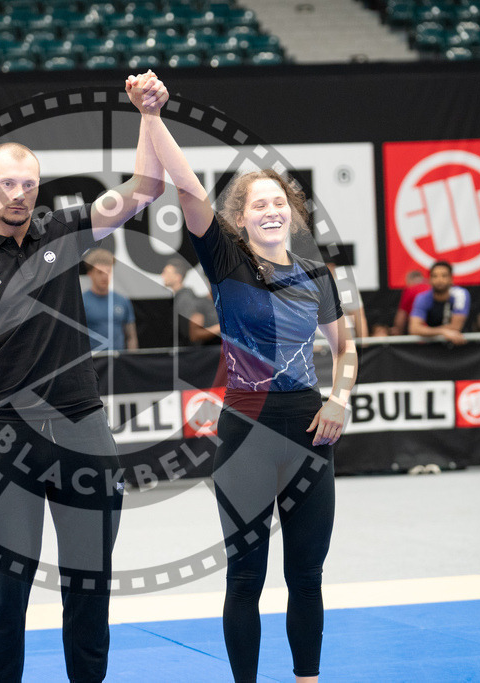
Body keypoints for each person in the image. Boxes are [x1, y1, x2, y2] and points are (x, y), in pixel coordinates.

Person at [0, 72, 167, 683]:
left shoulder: (63, 229)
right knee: (5, 590)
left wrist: (148, 115)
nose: (19, 194)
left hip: (82, 425)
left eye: (29, 184)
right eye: (8, 183)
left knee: (89, 583)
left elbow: (145, 188)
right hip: (8, 434)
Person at [129, 75, 357, 683]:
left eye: (279, 202)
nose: (271, 210)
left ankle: (307, 678)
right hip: (246, 432)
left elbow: (346, 348)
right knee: (246, 577)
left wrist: (339, 397)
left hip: (310, 431)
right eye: (258, 204)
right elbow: (185, 184)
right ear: (240, 218)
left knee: (306, 576)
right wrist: (152, 115)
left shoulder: (316, 275)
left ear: (293, 212)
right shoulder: (226, 260)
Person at [82, 248, 138, 351]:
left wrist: (132, 358)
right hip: (93, 360)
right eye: (100, 272)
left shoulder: (122, 300)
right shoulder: (81, 302)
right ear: (90, 274)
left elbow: (131, 337)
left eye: (108, 271)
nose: (105, 276)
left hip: (119, 359)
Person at [162, 257, 220, 345]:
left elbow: (192, 332)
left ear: (178, 277)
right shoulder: (183, 298)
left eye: (167, 273)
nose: (162, 275)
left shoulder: (185, 299)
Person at [408, 261, 469, 344]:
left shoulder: (460, 294)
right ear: (430, 279)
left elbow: (456, 328)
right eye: (435, 276)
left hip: (460, 345)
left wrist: (428, 331)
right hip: (434, 347)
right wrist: (443, 331)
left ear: (451, 279)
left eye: (444, 276)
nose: (439, 280)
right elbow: (414, 329)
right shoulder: (423, 298)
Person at [390, 270, 428, 336]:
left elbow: (401, 316)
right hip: (438, 330)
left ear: (409, 280)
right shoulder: (433, 288)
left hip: (421, 334)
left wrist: (398, 331)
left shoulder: (410, 290)